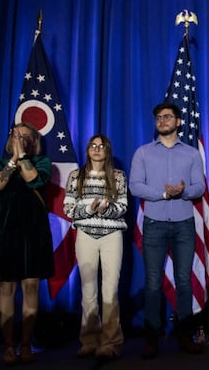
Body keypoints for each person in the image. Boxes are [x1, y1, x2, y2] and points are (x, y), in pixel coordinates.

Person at [129, 102, 206, 359]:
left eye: (167, 117)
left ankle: (184, 335)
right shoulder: (143, 153)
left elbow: (199, 187)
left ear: (178, 122)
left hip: (184, 224)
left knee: (184, 280)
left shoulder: (191, 154)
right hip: (154, 224)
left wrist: (183, 191)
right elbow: (135, 186)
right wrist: (162, 194)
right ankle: (152, 338)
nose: (162, 121)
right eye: (158, 118)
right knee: (152, 282)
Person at [0, 122, 55, 365]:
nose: (20, 139)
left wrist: (22, 157)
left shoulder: (43, 162)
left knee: (31, 285)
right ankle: (8, 346)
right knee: (6, 286)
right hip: (5, 227)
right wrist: (12, 160)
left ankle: (25, 343)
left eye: (26, 136)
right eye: (16, 135)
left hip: (33, 227)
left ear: (34, 141)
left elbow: (34, 180)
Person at [63, 134, 127, 361]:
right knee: (88, 291)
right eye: (93, 145)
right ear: (88, 149)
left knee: (110, 290)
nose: (97, 149)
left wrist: (106, 209)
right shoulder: (76, 176)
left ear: (107, 151)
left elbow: (123, 206)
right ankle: (89, 340)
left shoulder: (118, 176)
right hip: (86, 236)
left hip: (112, 236)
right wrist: (90, 209)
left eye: (101, 146)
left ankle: (110, 342)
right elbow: (68, 209)